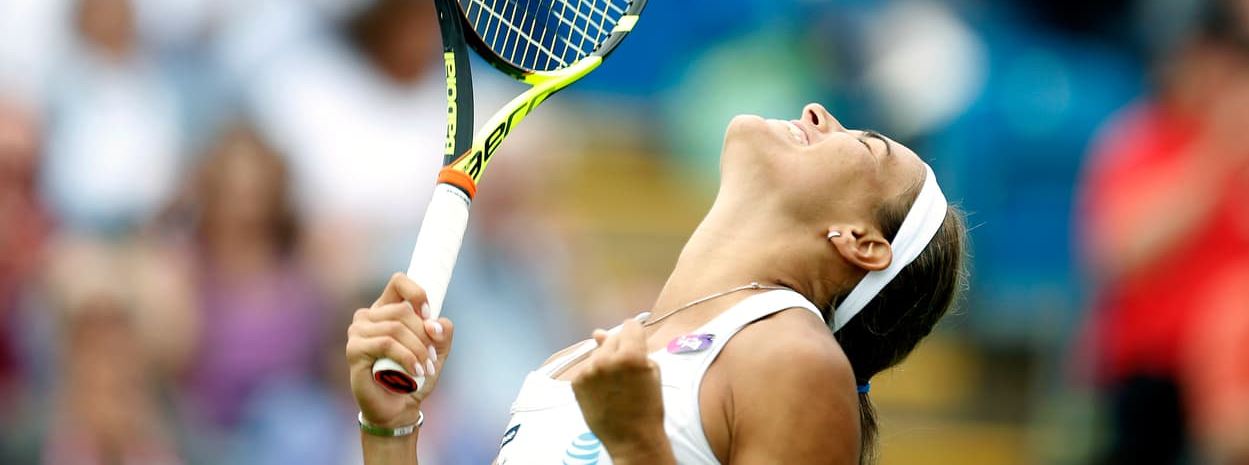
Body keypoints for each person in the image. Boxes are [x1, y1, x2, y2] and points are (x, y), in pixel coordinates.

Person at [346, 103, 967, 464]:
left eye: (865, 146)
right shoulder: (574, 361)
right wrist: (391, 430)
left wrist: (641, 442)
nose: (817, 114)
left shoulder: (794, 360)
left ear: (861, 241)